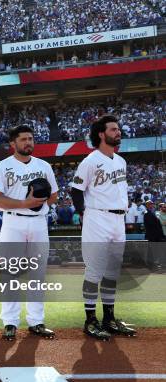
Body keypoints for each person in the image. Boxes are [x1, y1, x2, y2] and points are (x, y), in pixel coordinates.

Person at [0, 124, 58, 341]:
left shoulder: (44, 166)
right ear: (13, 143)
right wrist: (25, 202)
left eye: (30, 139)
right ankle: (10, 321)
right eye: (23, 139)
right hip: (13, 222)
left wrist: (39, 200)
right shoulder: (2, 166)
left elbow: (54, 196)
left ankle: (36, 321)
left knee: (38, 273)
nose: (28, 142)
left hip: (38, 222)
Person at [70, 115, 137, 340]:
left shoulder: (120, 161)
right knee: (94, 271)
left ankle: (109, 318)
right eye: (113, 129)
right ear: (101, 134)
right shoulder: (90, 161)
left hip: (118, 219)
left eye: (118, 129)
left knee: (112, 272)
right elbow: (76, 190)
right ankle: (90, 320)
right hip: (97, 218)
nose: (118, 132)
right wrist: (84, 215)